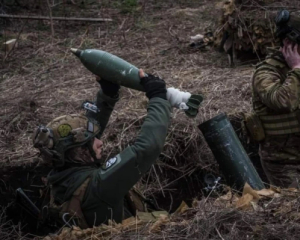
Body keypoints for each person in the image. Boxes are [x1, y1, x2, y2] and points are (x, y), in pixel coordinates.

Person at [32, 69, 172, 228]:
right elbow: (147, 148)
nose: (100, 143)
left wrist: (107, 94)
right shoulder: (98, 186)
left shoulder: (60, 176)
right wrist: (158, 97)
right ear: (76, 152)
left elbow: (83, 135)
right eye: (91, 142)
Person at [250, 10, 300, 188]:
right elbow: (282, 102)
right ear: (289, 43)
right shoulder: (266, 72)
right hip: (284, 165)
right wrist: (296, 68)